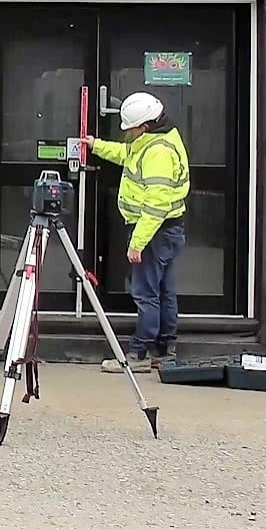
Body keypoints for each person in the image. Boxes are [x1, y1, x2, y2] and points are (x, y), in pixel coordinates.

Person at [86, 91, 190, 372]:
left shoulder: (158, 152)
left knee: (145, 293)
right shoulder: (157, 139)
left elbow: (156, 204)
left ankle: (139, 353)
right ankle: (166, 349)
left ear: (144, 125)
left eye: (129, 128)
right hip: (166, 230)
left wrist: (137, 243)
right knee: (164, 291)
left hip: (155, 231)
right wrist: (96, 145)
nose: (126, 133)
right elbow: (126, 154)